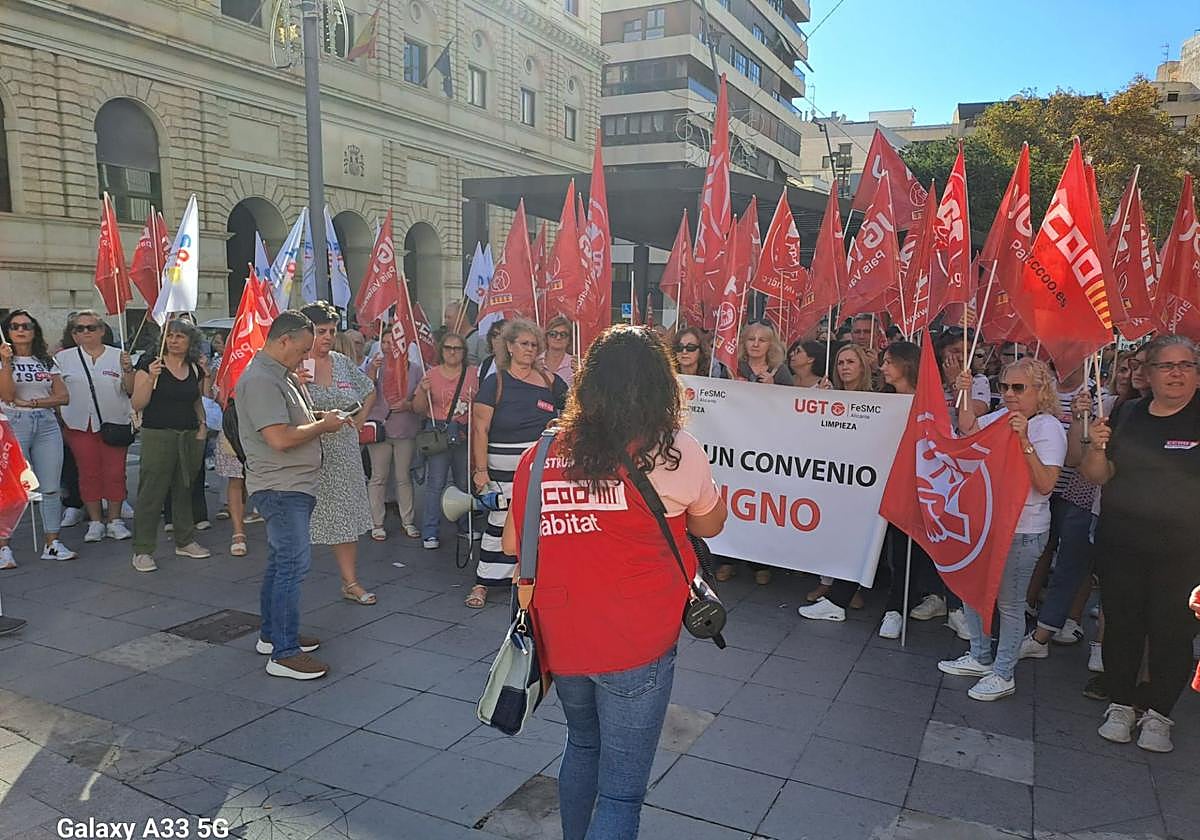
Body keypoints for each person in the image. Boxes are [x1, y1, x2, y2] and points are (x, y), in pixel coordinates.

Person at [501, 325, 726, 840]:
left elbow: (514, 545)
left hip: (560, 634)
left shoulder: (544, 450)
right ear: (660, 385)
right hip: (637, 637)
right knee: (622, 792)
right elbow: (708, 526)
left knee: (582, 746)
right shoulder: (676, 449)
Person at [1082, 335, 1200, 752]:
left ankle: (1159, 714)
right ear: (1148, 374)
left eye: (1186, 365)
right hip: (1122, 546)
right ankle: (1121, 703)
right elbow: (1098, 474)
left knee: (1173, 634)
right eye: (1166, 366)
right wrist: (1093, 446)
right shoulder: (1128, 412)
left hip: (1185, 555)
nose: (1176, 374)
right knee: (1123, 628)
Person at [937, 358, 1065, 701]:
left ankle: (1003, 672)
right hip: (989, 524)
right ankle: (980, 657)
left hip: (1023, 529)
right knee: (973, 592)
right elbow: (968, 428)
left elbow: (1047, 483)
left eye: (1018, 388)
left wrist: (1024, 441)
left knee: (1009, 604)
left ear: (1040, 391)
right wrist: (963, 392)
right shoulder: (1000, 417)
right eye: (1004, 387)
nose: (1009, 394)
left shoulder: (1048, 427)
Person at [238, 310, 351, 679]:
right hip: (281, 485)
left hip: (290, 485)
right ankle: (284, 653)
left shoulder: (278, 375)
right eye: (301, 349)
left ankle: (273, 636)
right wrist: (324, 425)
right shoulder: (260, 380)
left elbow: (290, 421)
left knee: (281, 563)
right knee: (291, 565)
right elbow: (279, 438)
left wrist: (320, 415)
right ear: (283, 340)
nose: (305, 357)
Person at [468, 319, 567, 608]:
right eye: (524, 343)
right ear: (509, 347)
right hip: (501, 467)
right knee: (500, 520)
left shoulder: (550, 381)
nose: (529, 349)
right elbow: (480, 430)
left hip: (540, 465)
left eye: (534, 344)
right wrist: (481, 471)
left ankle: (527, 578)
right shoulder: (494, 382)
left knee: (537, 521)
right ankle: (484, 582)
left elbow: (575, 408)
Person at [299, 302, 377, 606]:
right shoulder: (295, 363)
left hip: (343, 450)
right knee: (298, 516)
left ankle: (350, 581)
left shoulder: (342, 362)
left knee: (344, 516)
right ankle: (291, 578)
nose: (328, 337)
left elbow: (369, 389)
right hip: (306, 450)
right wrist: (294, 382)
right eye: (321, 332)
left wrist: (358, 420)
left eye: (331, 331)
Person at [129, 319, 211, 571]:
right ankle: (142, 550)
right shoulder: (150, 364)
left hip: (188, 433)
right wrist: (149, 378)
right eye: (170, 336)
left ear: (190, 341)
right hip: (158, 434)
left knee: (184, 488)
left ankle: (185, 541)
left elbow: (197, 398)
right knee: (152, 492)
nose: (174, 341)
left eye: (180, 336)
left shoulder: (194, 368)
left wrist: (202, 425)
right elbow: (137, 403)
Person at [0, 310, 75, 566]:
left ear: (34, 330)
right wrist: (7, 362)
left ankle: (52, 542)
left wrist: (33, 402)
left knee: (51, 486)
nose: (21, 330)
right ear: (7, 331)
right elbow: (8, 395)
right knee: (11, 489)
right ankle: (3, 548)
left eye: (26, 325)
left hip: (45, 423)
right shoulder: (2, 361)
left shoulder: (46, 361)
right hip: (13, 424)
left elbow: (63, 396)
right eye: (14, 326)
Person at [53, 310, 135, 543]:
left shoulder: (119, 355)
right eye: (80, 328)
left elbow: (129, 389)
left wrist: (128, 370)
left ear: (101, 330)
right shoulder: (63, 358)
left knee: (115, 473)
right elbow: (56, 389)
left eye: (91, 327)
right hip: (79, 424)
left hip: (114, 422)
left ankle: (115, 520)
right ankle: (96, 521)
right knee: (88, 473)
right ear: (74, 334)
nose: (86, 332)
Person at [413, 332, 478, 548]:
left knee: (463, 481)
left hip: (462, 430)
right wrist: (423, 392)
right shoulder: (430, 375)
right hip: (438, 431)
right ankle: (430, 531)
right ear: (441, 350)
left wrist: (475, 401)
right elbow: (418, 409)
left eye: (457, 348)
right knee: (436, 483)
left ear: (463, 352)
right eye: (448, 347)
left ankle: (464, 526)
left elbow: (481, 408)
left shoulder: (472, 374)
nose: (452, 352)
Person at [364, 329, 424, 542]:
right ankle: (376, 523)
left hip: (405, 429)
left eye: (394, 342)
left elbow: (421, 400)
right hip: (380, 429)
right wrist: (371, 372)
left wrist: (408, 404)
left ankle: (408, 521)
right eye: (386, 342)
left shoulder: (415, 370)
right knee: (378, 477)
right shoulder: (375, 367)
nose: (390, 346)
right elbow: (364, 394)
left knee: (403, 477)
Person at [540, 315, 578, 387]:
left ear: (569, 340)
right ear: (546, 337)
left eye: (563, 334)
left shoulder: (576, 364)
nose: (558, 338)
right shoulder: (536, 361)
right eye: (553, 334)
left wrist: (581, 374)